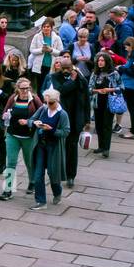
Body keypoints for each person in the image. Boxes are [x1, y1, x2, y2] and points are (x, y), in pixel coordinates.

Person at [46, 55, 86, 189]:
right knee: (57, 148)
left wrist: (86, 119)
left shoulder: (79, 77)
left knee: (72, 148)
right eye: (62, 68)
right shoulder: (54, 77)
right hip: (60, 120)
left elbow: (85, 94)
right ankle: (57, 173)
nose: (65, 70)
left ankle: (71, 176)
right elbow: (60, 91)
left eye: (67, 68)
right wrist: (72, 80)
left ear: (72, 67)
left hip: (75, 119)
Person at [0, 77, 41, 201]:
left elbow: (41, 117)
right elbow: (5, 113)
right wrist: (6, 116)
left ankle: (32, 181)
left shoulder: (35, 99)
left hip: (28, 136)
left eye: (27, 88)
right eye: (22, 88)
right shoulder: (13, 98)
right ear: (17, 88)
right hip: (13, 135)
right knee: (10, 162)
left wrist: (28, 122)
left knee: (29, 161)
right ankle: (8, 189)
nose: (25, 91)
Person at [28, 88, 69, 210]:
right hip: (41, 145)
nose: (47, 105)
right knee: (38, 174)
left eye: (50, 103)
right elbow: (31, 120)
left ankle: (57, 192)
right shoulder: (43, 109)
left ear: (57, 101)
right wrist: (35, 123)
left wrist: (50, 129)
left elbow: (66, 132)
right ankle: (41, 201)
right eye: (45, 102)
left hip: (54, 147)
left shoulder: (62, 114)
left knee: (53, 173)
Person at [88, 53, 122, 157]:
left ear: (107, 62)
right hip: (97, 103)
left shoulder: (114, 74)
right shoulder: (95, 74)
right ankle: (100, 146)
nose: (100, 62)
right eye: (99, 61)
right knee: (98, 125)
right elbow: (89, 88)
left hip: (109, 103)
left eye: (102, 60)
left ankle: (106, 148)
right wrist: (97, 91)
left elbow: (121, 87)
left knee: (107, 125)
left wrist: (109, 89)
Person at [27, 17, 63, 93]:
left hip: (51, 65)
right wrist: (41, 50)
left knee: (49, 85)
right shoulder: (37, 37)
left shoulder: (57, 38)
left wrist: (51, 50)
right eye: (44, 27)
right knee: (40, 86)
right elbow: (32, 50)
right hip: (40, 66)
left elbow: (61, 52)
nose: (46, 29)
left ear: (51, 28)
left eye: (48, 27)